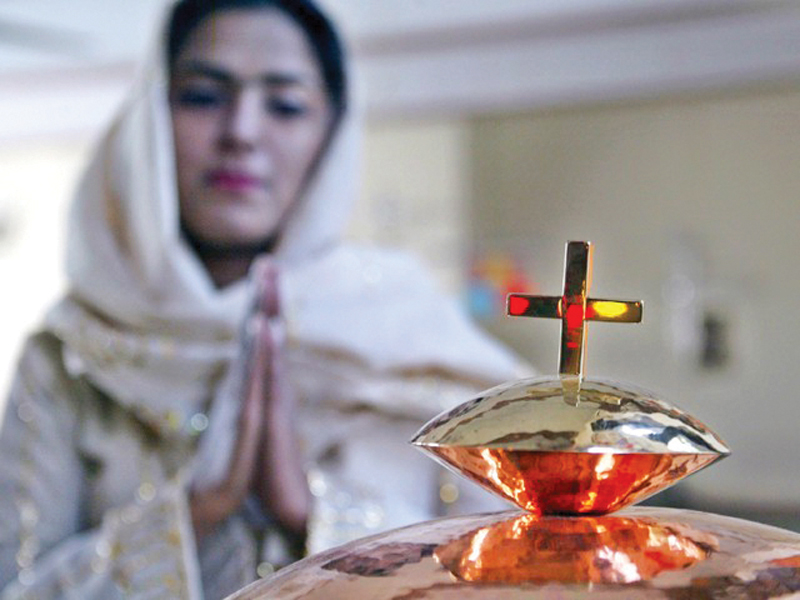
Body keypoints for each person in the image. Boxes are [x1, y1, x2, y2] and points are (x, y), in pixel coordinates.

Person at [0, 0, 528, 598]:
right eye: (203, 96)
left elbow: (502, 581)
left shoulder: (418, 343)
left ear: (331, 132)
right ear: (151, 115)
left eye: (285, 105)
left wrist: (310, 511)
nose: (242, 132)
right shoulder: (70, 358)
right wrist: (193, 511)